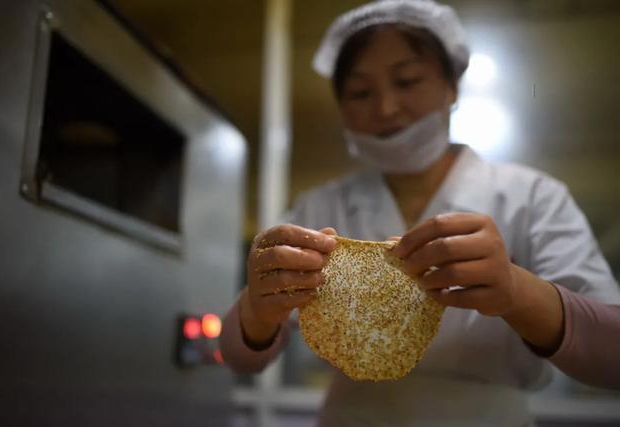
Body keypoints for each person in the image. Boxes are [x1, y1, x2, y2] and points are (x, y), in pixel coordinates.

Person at [220, 1, 620, 425]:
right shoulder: (319, 207)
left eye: (407, 81)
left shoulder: (531, 196)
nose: (387, 107)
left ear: (452, 88)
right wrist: (257, 309)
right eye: (360, 92)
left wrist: (515, 291)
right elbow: (238, 357)